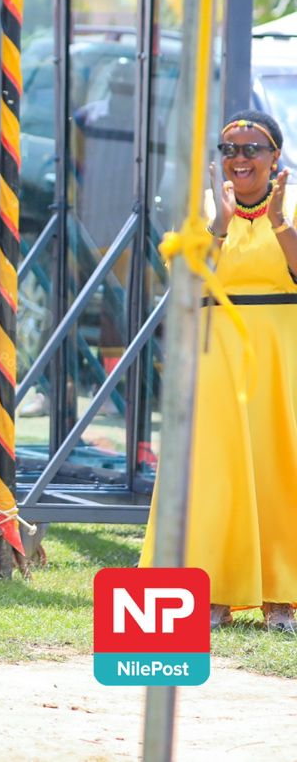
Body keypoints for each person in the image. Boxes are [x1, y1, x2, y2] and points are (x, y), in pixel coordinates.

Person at [140, 110, 297, 633]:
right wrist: (222, 225)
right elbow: (188, 280)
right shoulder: (203, 211)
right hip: (216, 356)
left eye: (253, 148)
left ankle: (283, 596)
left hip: (281, 359)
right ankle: (210, 591)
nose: (240, 158)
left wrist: (276, 220)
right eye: (230, 150)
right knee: (216, 473)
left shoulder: (291, 207)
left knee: (279, 468)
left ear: (275, 156)